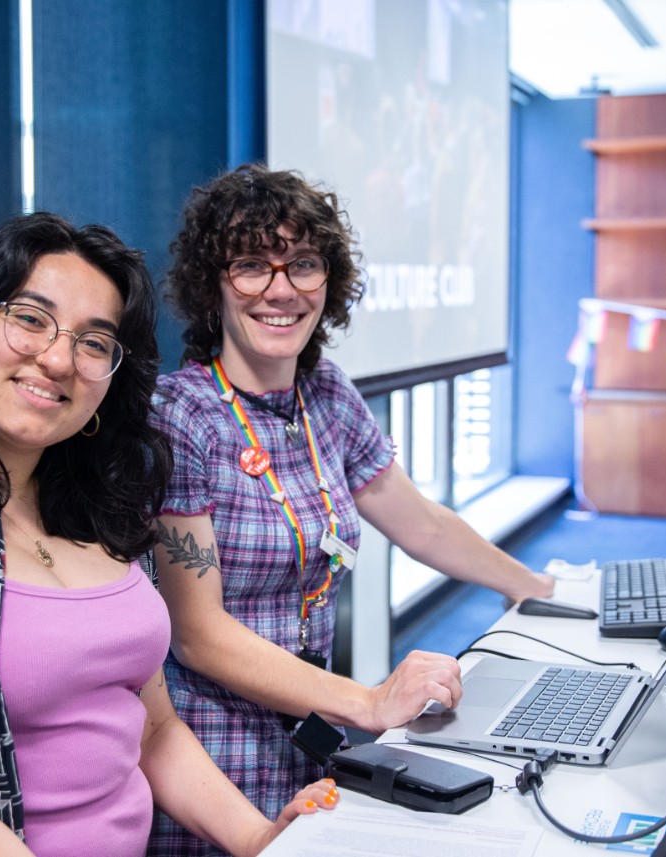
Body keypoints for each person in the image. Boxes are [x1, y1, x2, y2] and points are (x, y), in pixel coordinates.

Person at [0, 212, 338, 857]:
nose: (58, 357)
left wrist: (259, 840)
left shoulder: (95, 507)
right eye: (30, 318)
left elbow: (152, 732)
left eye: (94, 343)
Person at [148, 164, 555, 854]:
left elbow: (419, 520)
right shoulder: (182, 415)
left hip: (310, 740)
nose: (281, 288)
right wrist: (367, 701)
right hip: (211, 758)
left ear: (327, 281)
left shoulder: (325, 395)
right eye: (251, 265)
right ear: (212, 284)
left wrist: (541, 590)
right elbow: (199, 634)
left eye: (302, 263)